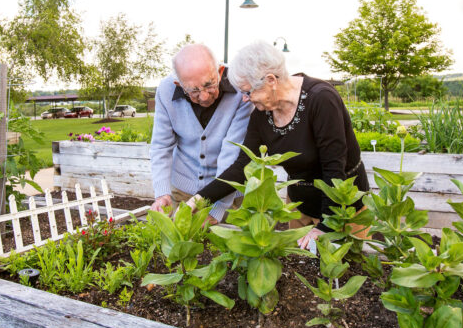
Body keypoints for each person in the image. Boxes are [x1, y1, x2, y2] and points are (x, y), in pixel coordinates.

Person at [193, 41, 369, 247]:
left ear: (270, 80)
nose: (244, 99)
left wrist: (326, 226)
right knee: (300, 270)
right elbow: (243, 166)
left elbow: (333, 168)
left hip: (343, 207)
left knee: (345, 270)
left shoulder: (321, 99)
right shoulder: (262, 113)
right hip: (300, 205)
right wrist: (198, 199)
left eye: (248, 91)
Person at [149, 43, 253, 224]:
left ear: (220, 71)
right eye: (194, 90)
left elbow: (232, 155)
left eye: (209, 85)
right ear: (179, 85)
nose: (204, 96)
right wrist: (162, 194)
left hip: (228, 196)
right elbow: (161, 146)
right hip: (183, 191)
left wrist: (217, 209)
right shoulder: (166, 91)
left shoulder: (241, 92)